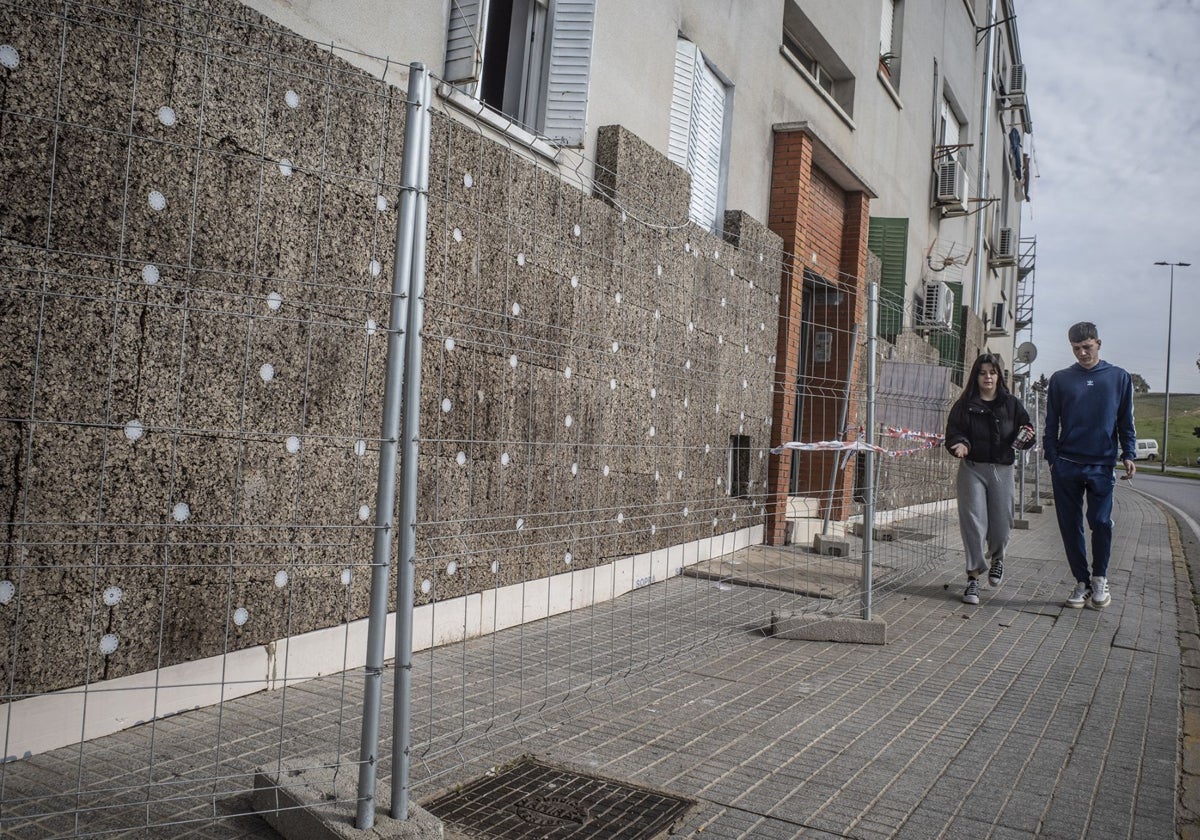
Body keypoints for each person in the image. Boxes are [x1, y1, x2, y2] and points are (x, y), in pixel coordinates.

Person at [1043, 322, 1136, 609]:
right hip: (1067, 464)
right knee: (1070, 526)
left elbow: (1125, 421)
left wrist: (1129, 454)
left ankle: (1100, 580)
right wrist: (1053, 459)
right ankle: (1082, 582)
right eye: (1076, 349)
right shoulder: (1061, 380)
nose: (1082, 353)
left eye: (1087, 347)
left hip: (1101, 465)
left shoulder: (1119, 378)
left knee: (1100, 522)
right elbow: (1051, 423)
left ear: (1098, 343)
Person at [945, 353, 1035, 605]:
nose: (987, 377)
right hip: (972, 467)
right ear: (975, 376)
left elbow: (1027, 429)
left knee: (1001, 524)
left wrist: (1027, 436)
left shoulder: (1011, 404)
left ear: (999, 376)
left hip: (1001, 470)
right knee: (973, 522)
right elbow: (953, 431)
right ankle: (972, 578)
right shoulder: (964, 405)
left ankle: (998, 558)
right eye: (982, 372)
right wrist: (959, 444)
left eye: (992, 372)